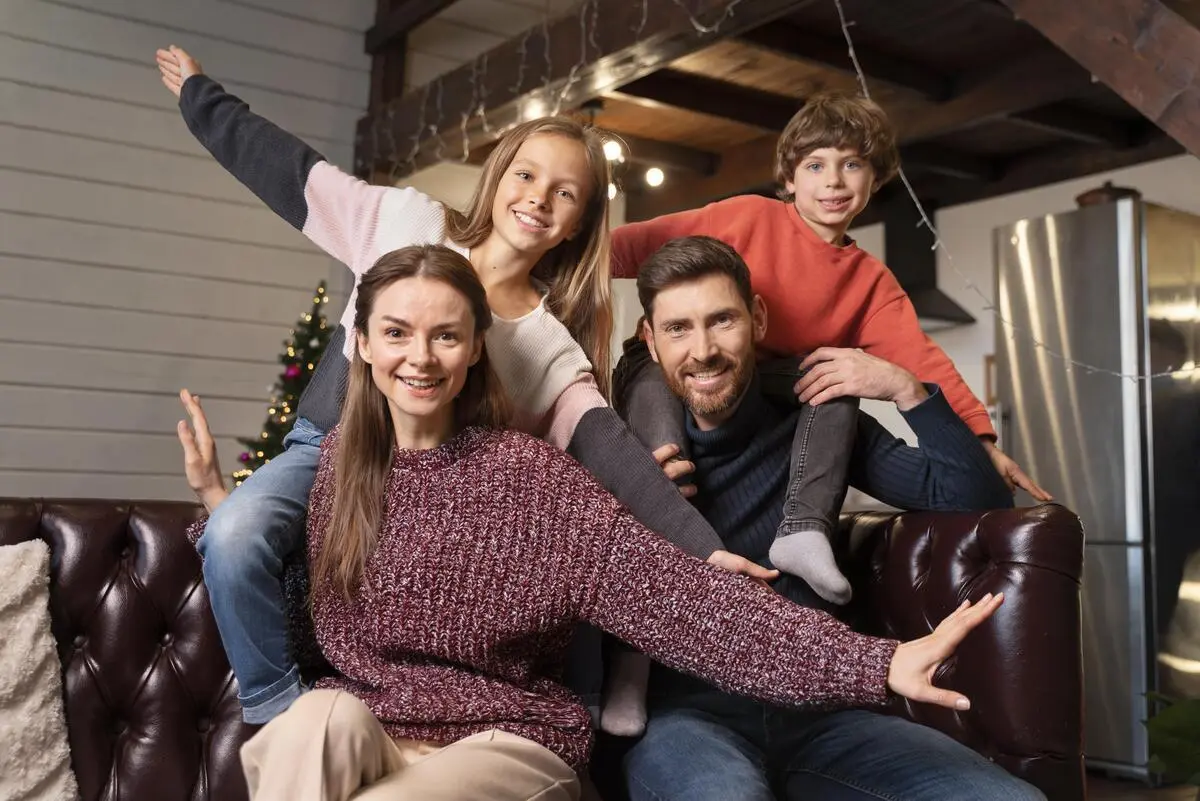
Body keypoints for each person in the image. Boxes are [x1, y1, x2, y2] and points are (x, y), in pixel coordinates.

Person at [176, 244, 1005, 801]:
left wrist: (876, 663)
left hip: (504, 746)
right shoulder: (335, 480)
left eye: (444, 335)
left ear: (473, 351)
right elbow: (287, 616)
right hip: (374, 733)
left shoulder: (532, 480)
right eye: (396, 333)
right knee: (313, 718)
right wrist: (224, 506)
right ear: (361, 345)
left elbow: (686, 603)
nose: (418, 356)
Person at [155, 45, 765, 726]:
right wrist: (201, 99)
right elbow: (292, 172)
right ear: (498, 175)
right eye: (527, 175)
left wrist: (707, 552)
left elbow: (616, 456)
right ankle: (275, 712)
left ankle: (579, 709)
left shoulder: (547, 346)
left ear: (580, 220)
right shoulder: (406, 223)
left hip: (433, 502)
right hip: (327, 447)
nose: (539, 197)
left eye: (565, 192)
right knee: (235, 531)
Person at [609, 236, 1043, 801]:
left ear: (757, 319)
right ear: (650, 338)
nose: (704, 349)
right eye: (678, 329)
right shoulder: (619, 447)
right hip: (687, 718)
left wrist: (905, 389)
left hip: (828, 711)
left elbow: (976, 498)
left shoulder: (813, 429)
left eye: (722, 321)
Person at [609, 93, 1051, 608]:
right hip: (666, 382)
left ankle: (802, 529)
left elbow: (923, 362)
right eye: (816, 165)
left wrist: (979, 437)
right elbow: (629, 246)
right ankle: (661, 501)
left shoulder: (870, 283)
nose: (835, 181)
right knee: (653, 412)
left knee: (833, 376)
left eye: (852, 165)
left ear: (875, 178)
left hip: (774, 384)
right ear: (790, 179)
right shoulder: (747, 217)